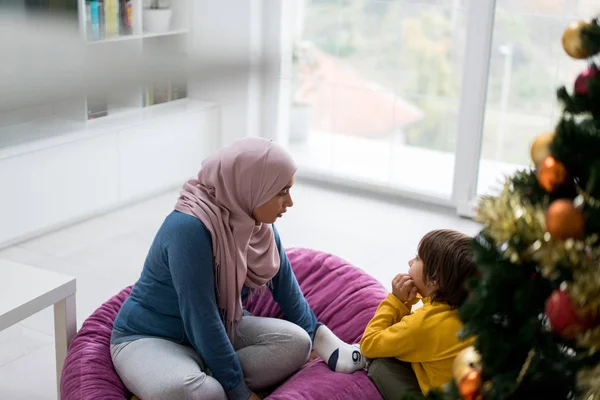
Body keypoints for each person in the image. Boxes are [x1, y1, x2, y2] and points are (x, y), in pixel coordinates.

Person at [110, 137, 365, 400]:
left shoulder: (258, 226)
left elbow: (288, 293)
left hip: (223, 328)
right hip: (152, 337)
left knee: (299, 343)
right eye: (281, 192)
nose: (289, 202)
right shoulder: (188, 230)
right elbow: (201, 318)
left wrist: (322, 340)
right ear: (250, 186)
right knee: (204, 394)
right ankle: (199, 377)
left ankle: (206, 370)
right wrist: (240, 393)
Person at [360, 229, 477, 399]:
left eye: (417, 258)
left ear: (434, 277)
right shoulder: (470, 311)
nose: (409, 262)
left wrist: (396, 301)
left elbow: (368, 344)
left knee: (380, 365)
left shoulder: (426, 322)